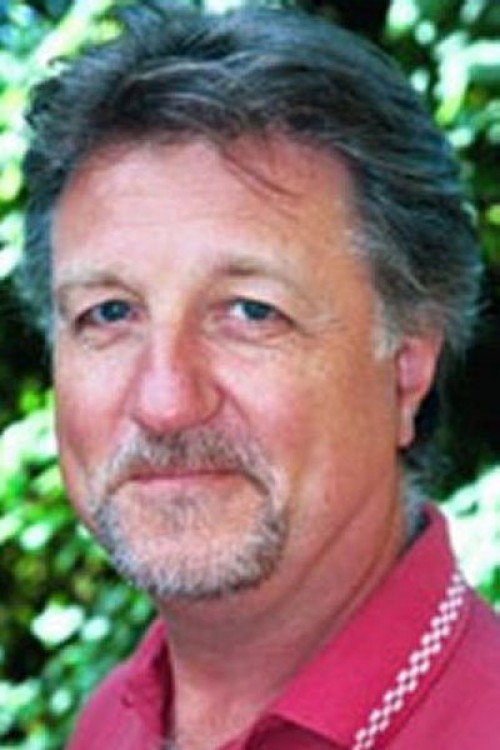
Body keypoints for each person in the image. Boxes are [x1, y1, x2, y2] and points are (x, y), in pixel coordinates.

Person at [18, 2, 500, 748]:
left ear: (407, 367)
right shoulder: (113, 721)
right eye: (109, 313)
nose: (166, 401)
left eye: (250, 311)